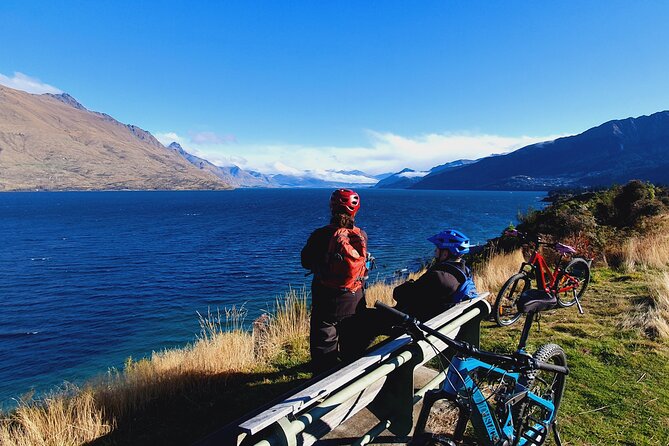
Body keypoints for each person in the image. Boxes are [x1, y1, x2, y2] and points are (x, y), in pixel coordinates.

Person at [301, 189, 369, 374]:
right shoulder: (361, 234)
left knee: (324, 346)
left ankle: (323, 384)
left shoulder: (321, 234)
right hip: (355, 297)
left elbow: (305, 261)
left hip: (326, 298)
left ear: (332, 207)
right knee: (352, 344)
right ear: (355, 210)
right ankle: (351, 380)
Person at [393, 229, 478, 322]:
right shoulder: (465, 273)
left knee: (374, 317)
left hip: (419, 326)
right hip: (444, 325)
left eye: (437, 249)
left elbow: (398, 294)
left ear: (445, 254)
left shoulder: (437, 277)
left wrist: (410, 283)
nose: (435, 252)